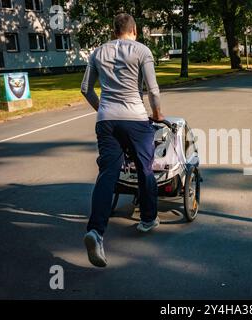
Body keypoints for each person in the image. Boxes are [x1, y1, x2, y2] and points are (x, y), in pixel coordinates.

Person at [80, 13, 164, 267]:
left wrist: (103, 110)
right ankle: (148, 218)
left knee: (108, 172)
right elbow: (153, 89)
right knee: (144, 168)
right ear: (134, 31)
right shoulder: (141, 50)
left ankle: (96, 231)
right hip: (136, 118)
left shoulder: (98, 52)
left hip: (106, 119)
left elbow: (85, 88)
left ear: (114, 31)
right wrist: (158, 115)